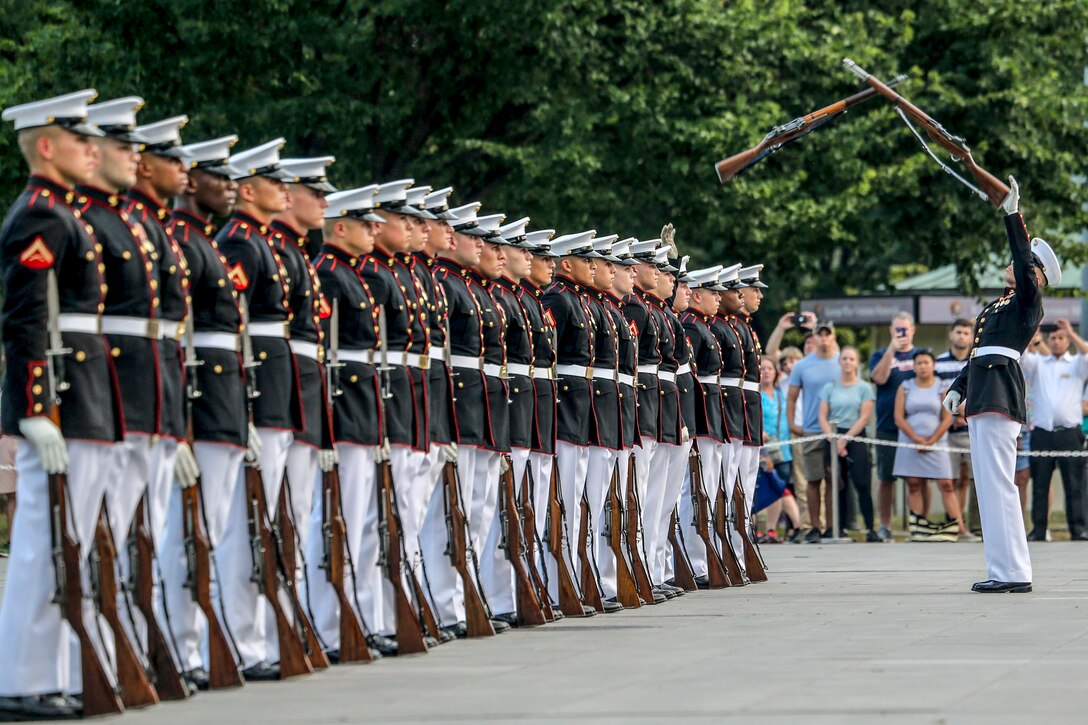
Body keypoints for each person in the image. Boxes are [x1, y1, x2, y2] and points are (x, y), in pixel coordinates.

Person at [0, 89, 124, 720]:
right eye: (80, 141)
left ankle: (47, 676)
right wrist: (36, 408)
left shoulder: (63, 214)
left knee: (65, 541)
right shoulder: (39, 216)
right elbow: (27, 322)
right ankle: (20, 682)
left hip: (86, 397)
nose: (91, 150)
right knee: (41, 543)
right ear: (46, 146)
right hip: (64, 401)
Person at [944, 176, 1060, 593]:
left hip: (998, 395)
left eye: (1024, 264)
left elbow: (1022, 258)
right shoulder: (998, 305)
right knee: (991, 485)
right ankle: (1004, 569)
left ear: (1037, 276)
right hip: (982, 393)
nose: (1012, 264)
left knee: (997, 486)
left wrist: (1013, 214)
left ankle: (1012, 572)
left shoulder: (1029, 300)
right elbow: (979, 352)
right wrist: (959, 385)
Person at [1020, 318, 1088, 541]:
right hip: (1042, 432)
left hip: (1069, 432)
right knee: (1039, 485)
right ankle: (1039, 530)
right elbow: (1022, 358)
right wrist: (1032, 336)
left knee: (1074, 484)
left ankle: (1078, 529)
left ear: (1067, 342)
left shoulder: (1076, 364)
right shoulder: (1038, 364)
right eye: (1054, 338)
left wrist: (1071, 331)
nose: (1057, 342)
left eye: (1061, 338)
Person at [894, 350, 963, 542]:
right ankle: (917, 528)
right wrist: (916, 439)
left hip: (938, 442)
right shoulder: (905, 386)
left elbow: (947, 417)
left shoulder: (942, 386)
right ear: (914, 367)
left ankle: (956, 527)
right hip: (910, 442)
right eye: (919, 363)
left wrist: (932, 440)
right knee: (914, 485)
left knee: (946, 484)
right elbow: (899, 417)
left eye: (926, 362)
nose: (923, 366)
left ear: (933, 365)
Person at [787, 321, 840, 542]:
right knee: (813, 479)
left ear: (834, 336)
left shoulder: (842, 361)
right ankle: (814, 527)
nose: (824, 338)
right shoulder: (803, 365)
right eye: (821, 334)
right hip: (811, 428)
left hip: (837, 429)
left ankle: (832, 525)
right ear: (815, 337)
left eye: (828, 334)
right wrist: (792, 423)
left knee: (833, 479)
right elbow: (791, 397)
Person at [817, 346, 877, 541]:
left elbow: (864, 417)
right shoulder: (829, 388)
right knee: (837, 484)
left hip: (856, 435)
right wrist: (834, 440)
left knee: (862, 483)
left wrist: (846, 440)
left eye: (851, 359)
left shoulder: (864, 388)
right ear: (839, 362)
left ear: (857, 363)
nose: (848, 362)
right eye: (844, 358)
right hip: (833, 436)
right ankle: (839, 527)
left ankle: (870, 528)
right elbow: (822, 416)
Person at [869, 311, 919, 541]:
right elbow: (879, 378)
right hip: (887, 425)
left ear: (913, 330)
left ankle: (918, 525)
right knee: (886, 478)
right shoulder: (880, 354)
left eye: (905, 329)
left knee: (917, 479)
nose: (901, 334)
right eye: (897, 330)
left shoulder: (920, 355)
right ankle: (885, 525)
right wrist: (891, 349)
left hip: (916, 427)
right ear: (891, 331)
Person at [935, 319, 980, 535]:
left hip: (972, 429)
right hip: (948, 430)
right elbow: (936, 393)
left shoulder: (977, 360)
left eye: (965, 333)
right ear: (951, 334)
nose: (962, 336)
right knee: (950, 478)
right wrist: (953, 415)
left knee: (969, 479)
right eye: (958, 332)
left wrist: (965, 413)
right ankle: (953, 524)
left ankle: (971, 527)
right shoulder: (938, 363)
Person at [759, 357, 802, 543]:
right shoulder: (754, 393)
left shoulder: (781, 392)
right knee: (766, 488)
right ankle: (793, 525)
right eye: (762, 368)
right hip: (762, 450)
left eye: (770, 368)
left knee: (780, 488)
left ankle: (774, 528)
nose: (766, 371)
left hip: (782, 449)